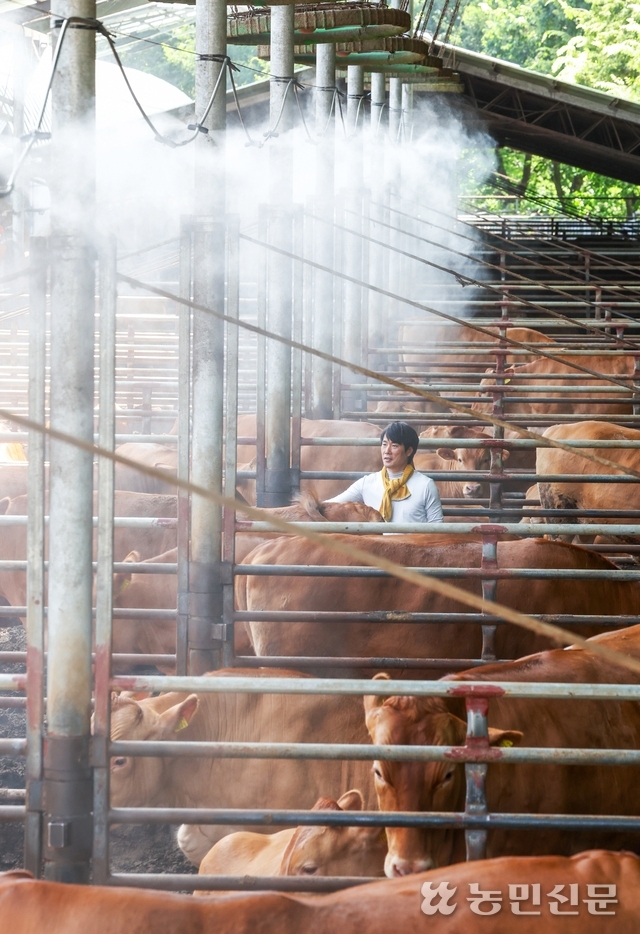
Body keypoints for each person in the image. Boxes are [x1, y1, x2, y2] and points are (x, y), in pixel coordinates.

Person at [327, 421, 443, 523]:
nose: (387, 451)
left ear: (409, 451)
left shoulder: (425, 485)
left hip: (414, 547)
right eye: (384, 444)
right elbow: (331, 505)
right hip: (376, 547)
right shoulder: (367, 483)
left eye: (394, 446)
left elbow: (437, 531)